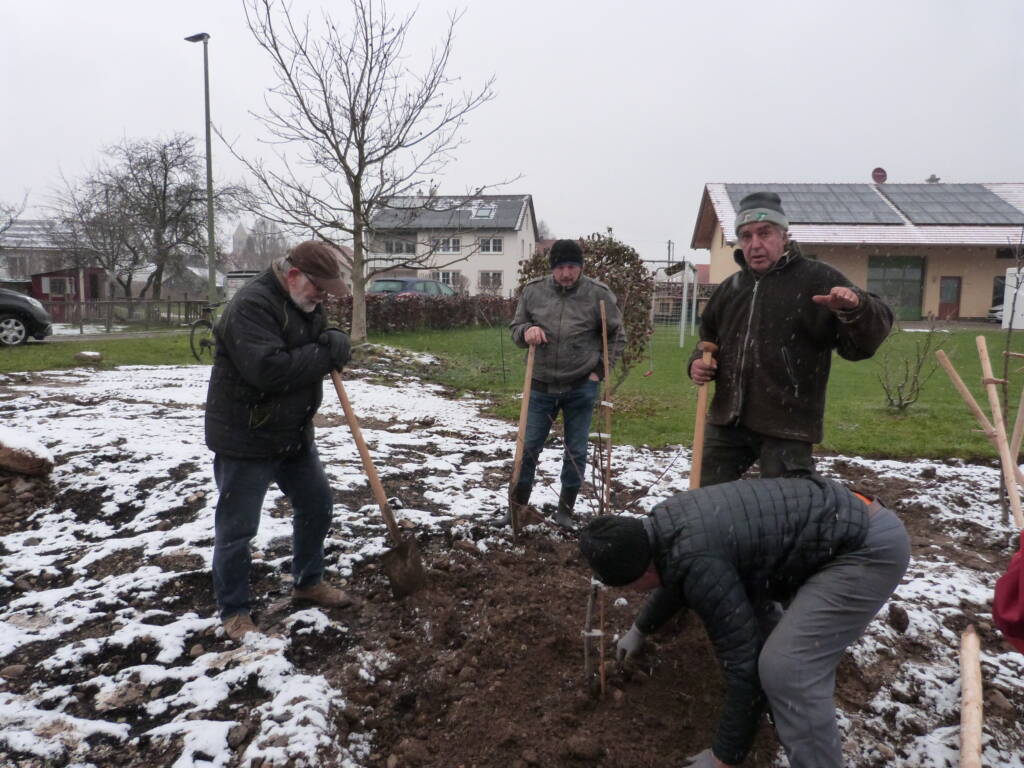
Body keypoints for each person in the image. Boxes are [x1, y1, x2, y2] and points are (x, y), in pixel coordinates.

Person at [579, 476, 909, 768]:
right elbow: (677, 576)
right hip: (841, 520)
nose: (635, 591)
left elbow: (743, 665)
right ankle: (782, 717)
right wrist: (641, 629)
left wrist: (724, 756)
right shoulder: (664, 523)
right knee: (764, 634)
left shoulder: (697, 562)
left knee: (786, 667)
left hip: (865, 549)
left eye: (631, 586)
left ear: (642, 573)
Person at [689, 191, 893, 487]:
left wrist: (855, 308)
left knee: (786, 509)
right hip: (727, 421)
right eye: (746, 236)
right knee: (704, 494)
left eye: (764, 233)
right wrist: (697, 362)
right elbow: (707, 339)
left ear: (784, 236)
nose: (755, 244)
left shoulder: (818, 279)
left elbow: (862, 345)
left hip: (787, 425)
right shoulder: (731, 289)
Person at [204, 240, 354, 642]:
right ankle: (234, 610)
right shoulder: (250, 307)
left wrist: (335, 337)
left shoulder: (304, 300)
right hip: (245, 436)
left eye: (326, 292)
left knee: (317, 504)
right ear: (292, 276)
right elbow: (269, 370)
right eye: (318, 289)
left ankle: (308, 581)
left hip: (292, 432)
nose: (322, 298)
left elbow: (316, 340)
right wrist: (325, 352)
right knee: (237, 529)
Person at [509, 239, 625, 530]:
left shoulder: (599, 295)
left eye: (572, 267)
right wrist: (527, 331)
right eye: (561, 267)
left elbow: (616, 336)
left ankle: (565, 511)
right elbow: (515, 329)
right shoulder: (533, 292)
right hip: (540, 385)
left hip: (580, 386)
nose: (566, 273)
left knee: (576, 451)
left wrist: (599, 371)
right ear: (552, 268)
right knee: (528, 448)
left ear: (581, 267)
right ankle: (516, 510)